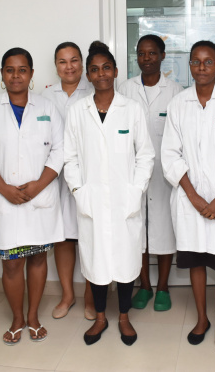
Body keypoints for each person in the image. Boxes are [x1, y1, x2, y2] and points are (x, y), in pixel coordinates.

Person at [0, 48, 65, 344]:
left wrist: (39, 185)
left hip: (40, 197)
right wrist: (3, 188)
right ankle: (17, 319)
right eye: (9, 70)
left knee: (37, 258)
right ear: (2, 74)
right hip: (5, 198)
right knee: (12, 263)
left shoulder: (47, 108)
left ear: (32, 74)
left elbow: (61, 150)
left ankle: (34, 316)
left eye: (22, 69)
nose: (16, 75)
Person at [63, 41, 154, 346]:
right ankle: (100, 318)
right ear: (88, 76)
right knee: (96, 260)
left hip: (124, 200)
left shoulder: (132, 109)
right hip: (92, 201)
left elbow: (146, 156)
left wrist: (135, 191)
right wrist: (79, 191)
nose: (100, 74)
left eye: (106, 68)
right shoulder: (78, 111)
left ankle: (124, 317)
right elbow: (70, 157)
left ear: (115, 71)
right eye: (94, 69)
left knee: (127, 259)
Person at [161, 40, 215, 351]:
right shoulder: (179, 104)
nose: (202, 67)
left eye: (208, 62)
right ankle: (202, 318)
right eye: (196, 62)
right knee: (196, 261)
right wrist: (195, 198)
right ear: (190, 66)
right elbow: (170, 155)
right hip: (190, 201)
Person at [118, 35, 183, 312]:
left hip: (164, 175)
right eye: (142, 54)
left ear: (162, 55)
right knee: (138, 230)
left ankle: (163, 287)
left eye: (152, 53)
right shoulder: (124, 89)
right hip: (130, 173)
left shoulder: (176, 92)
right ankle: (144, 285)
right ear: (137, 57)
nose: (147, 59)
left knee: (164, 230)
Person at [41, 42, 96, 321]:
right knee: (63, 238)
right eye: (62, 62)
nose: (69, 66)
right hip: (55, 179)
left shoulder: (95, 90)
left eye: (74, 60)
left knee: (87, 235)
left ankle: (90, 295)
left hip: (88, 176)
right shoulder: (45, 96)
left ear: (82, 63)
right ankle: (67, 295)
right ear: (55, 66)